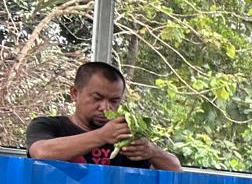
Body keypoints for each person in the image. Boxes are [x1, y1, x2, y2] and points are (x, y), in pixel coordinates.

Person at [26, 61, 181, 171]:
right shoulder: (47, 125)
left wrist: (152, 151)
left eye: (114, 101)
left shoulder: (125, 137)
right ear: (74, 93)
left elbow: (175, 170)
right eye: (97, 98)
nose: (105, 107)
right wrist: (102, 136)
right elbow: (41, 152)